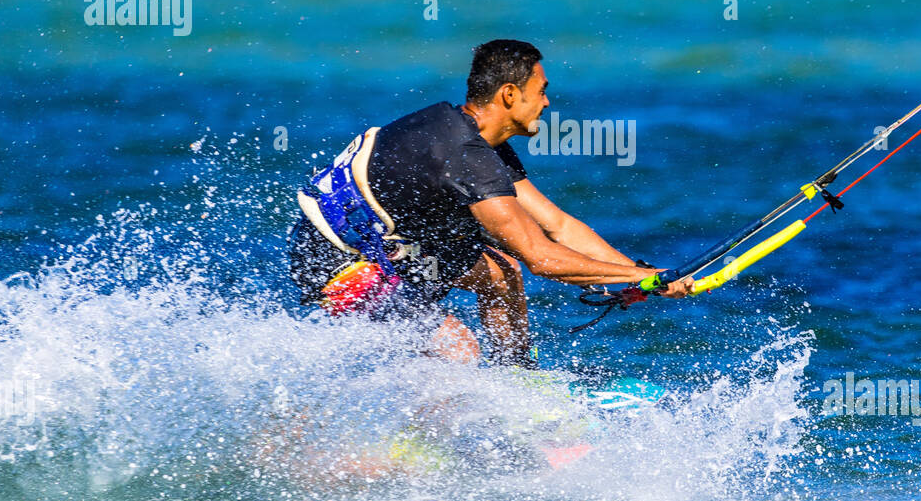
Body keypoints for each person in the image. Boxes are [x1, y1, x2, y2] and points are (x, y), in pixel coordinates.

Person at [289, 39, 692, 366]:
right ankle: (433, 448)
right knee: (457, 350)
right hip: (336, 263)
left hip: (384, 247)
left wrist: (636, 271)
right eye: (542, 92)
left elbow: (558, 225)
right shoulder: (464, 154)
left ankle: (516, 384)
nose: (548, 104)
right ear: (510, 94)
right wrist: (642, 276)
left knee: (501, 272)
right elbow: (543, 258)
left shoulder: (476, 140)